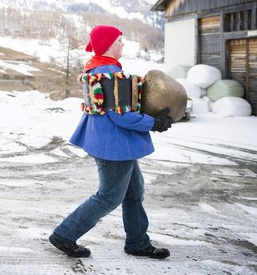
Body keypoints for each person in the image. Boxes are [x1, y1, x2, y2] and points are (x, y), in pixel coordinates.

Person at [49, 25, 174, 259]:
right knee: (108, 197)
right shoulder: (110, 74)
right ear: (107, 45)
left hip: (111, 142)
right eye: (119, 40)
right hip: (115, 146)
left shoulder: (97, 69)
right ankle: (64, 235)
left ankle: (137, 241)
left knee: (133, 193)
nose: (123, 44)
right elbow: (121, 115)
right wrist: (154, 122)